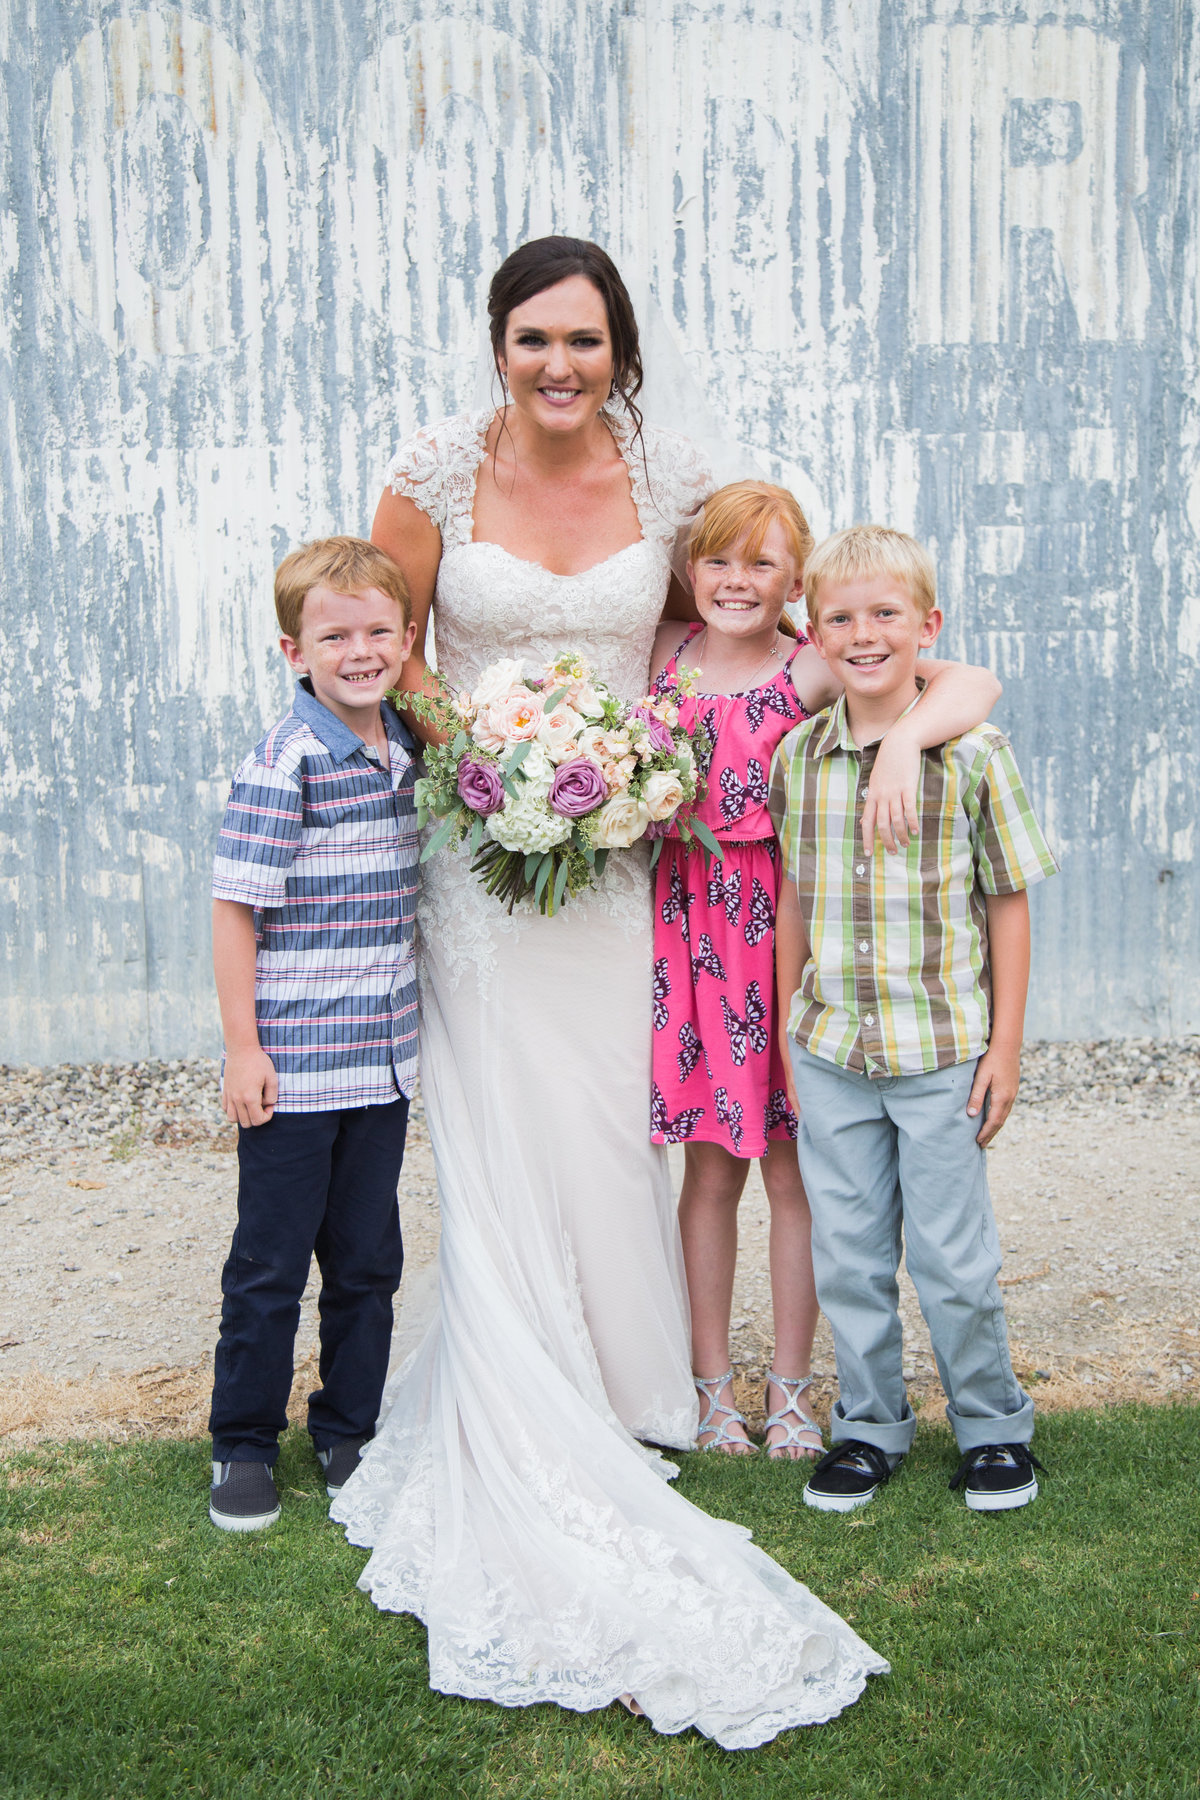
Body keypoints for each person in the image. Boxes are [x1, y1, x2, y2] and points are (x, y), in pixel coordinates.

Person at [331, 237, 896, 1744]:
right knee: (511, 1114)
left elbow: (765, 609)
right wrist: (501, 757)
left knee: (610, 1113)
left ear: (621, 349)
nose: (559, 365)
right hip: (488, 850)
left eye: (584, 340)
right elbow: (400, 657)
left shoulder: (675, 467)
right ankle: (537, 1387)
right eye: (533, 340)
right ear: (498, 345)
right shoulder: (435, 473)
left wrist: (889, 718)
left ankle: (653, 1378)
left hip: (627, 849)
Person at [648, 484, 1003, 1462]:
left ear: (794, 581)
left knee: (797, 1174)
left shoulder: (808, 666)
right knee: (709, 1171)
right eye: (720, 559)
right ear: (691, 569)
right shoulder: (662, 656)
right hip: (689, 938)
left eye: (763, 563)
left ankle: (796, 1390)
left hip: (786, 939)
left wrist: (907, 745)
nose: (738, 580)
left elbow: (970, 682)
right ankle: (712, 1386)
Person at [770, 525, 1058, 1516]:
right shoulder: (799, 760)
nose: (864, 633)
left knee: (954, 1257)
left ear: (927, 626)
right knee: (847, 1253)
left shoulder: (974, 757)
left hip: (939, 1049)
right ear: (812, 633)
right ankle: (868, 1428)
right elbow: (798, 902)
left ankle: (989, 1427)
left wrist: (1005, 1048)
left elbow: (1008, 899)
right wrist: (784, 1033)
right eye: (841, 617)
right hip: (832, 1047)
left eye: (886, 614)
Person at [207, 537, 419, 1532]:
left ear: (407, 638)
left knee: (369, 1261)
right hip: (295, 1069)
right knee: (271, 1266)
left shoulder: (405, 755)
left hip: (381, 1067)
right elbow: (235, 909)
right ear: (294, 649)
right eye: (336, 635)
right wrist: (244, 1048)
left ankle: (347, 1430)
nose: (360, 650)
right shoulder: (287, 763)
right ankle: (243, 1445)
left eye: (379, 630)